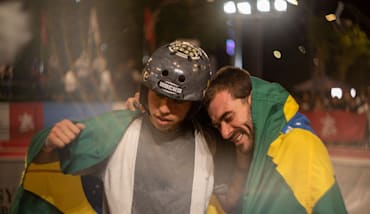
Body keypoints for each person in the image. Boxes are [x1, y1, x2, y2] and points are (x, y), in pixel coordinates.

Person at [12, 41, 218, 214]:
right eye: (159, 96)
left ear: (194, 105)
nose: (164, 108)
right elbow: (45, 165)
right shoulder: (117, 131)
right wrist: (49, 143)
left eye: (177, 101)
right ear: (146, 92)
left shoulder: (212, 140)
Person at [203, 66, 347, 213]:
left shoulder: (301, 145)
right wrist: (241, 169)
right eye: (218, 126)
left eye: (228, 118)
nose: (224, 133)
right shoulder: (246, 150)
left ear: (250, 99)